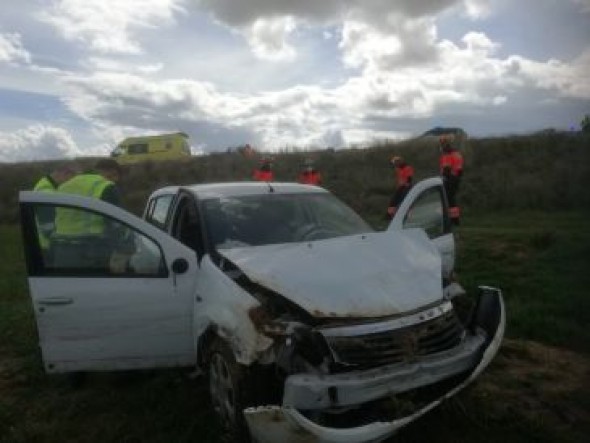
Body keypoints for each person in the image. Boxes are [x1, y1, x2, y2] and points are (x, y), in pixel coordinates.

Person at [52, 159, 131, 270]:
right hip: (91, 252)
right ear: (112, 173)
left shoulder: (63, 186)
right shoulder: (106, 187)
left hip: (62, 250)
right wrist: (126, 248)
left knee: (65, 286)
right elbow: (117, 224)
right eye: (116, 176)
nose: (116, 180)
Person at [33, 163, 79, 256]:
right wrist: (64, 242)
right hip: (48, 247)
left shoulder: (49, 186)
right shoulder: (47, 193)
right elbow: (48, 227)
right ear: (63, 173)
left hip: (47, 245)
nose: (72, 181)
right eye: (72, 176)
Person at [439, 136, 464, 225]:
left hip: (449, 178)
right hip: (456, 178)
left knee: (447, 199)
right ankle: (455, 219)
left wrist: (443, 178)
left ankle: (449, 220)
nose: (441, 147)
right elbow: (460, 170)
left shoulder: (447, 154)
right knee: (452, 198)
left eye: (442, 144)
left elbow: (446, 168)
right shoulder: (457, 154)